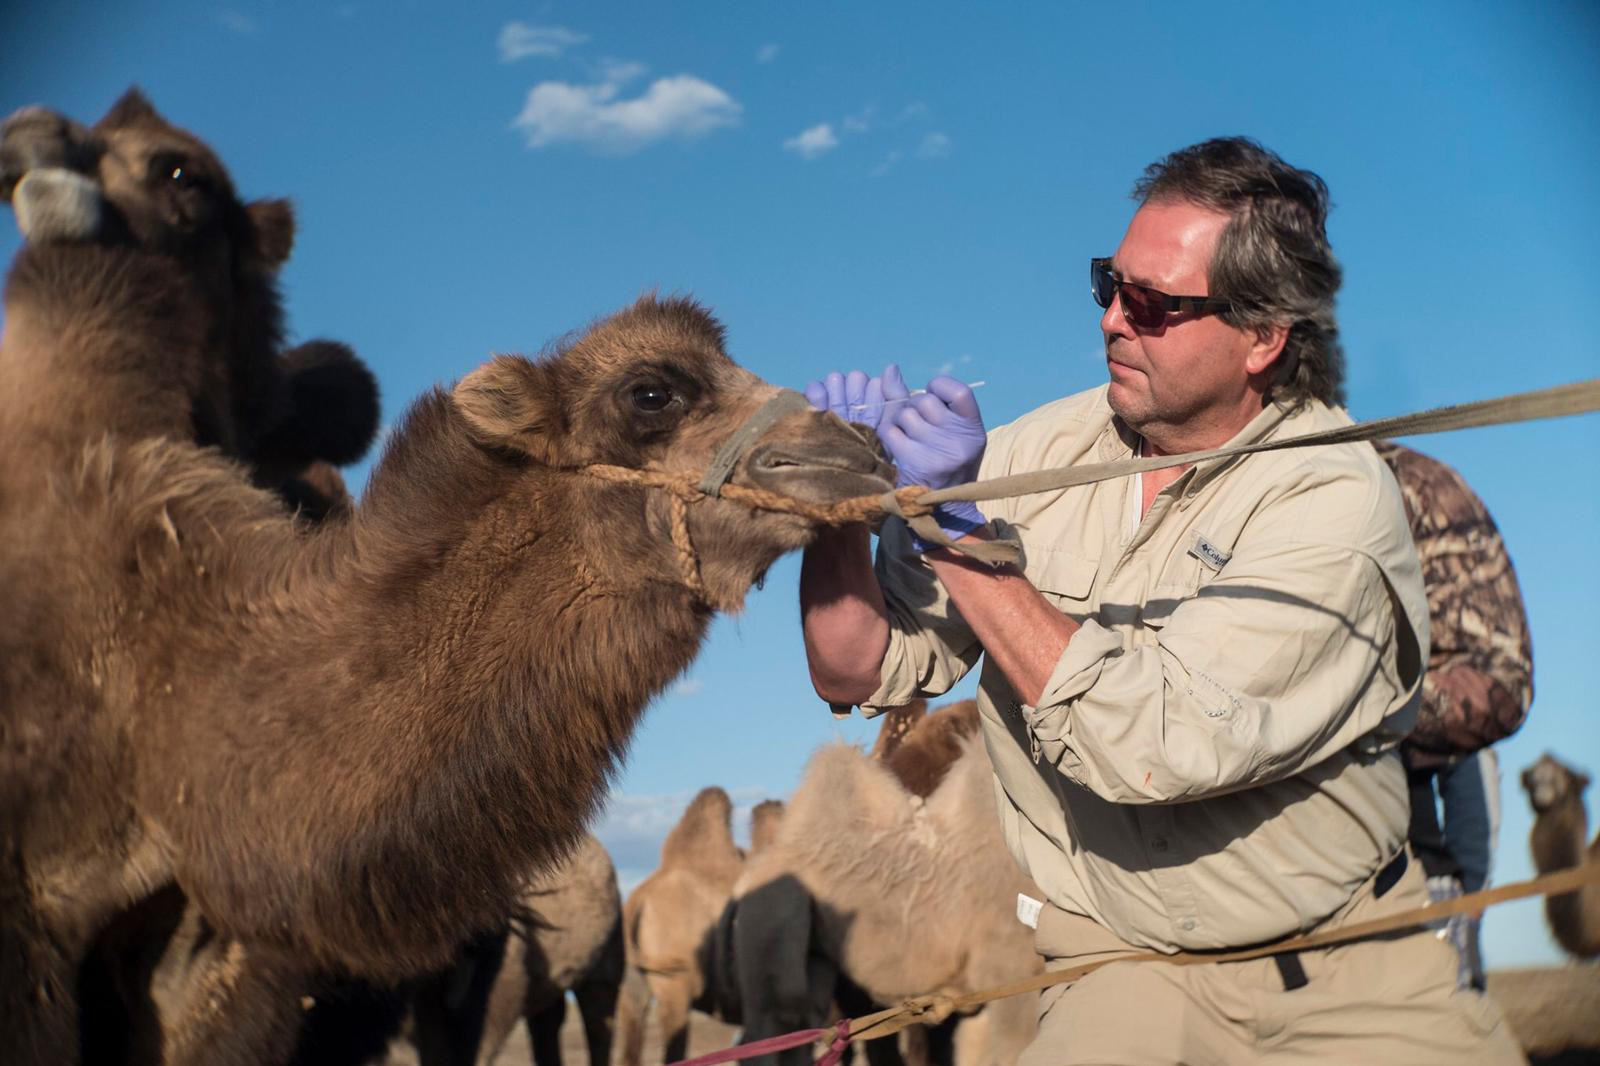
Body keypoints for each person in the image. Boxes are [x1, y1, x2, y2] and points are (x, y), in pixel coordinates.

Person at [800, 138, 1524, 1063]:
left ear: (1263, 337)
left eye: (1152, 303)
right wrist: (834, 497)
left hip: (1339, 968)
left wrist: (967, 541)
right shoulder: (1024, 458)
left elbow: (1155, 746)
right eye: (1109, 282)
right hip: (1119, 969)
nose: (1110, 319)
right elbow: (855, 666)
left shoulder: (1333, 497)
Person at [1375, 440, 1534, 990]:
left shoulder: (1376, 479)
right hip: (1494, 672)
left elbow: (1471, 766)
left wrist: (1468, 896)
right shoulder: (1425, 474)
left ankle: (1452, 900)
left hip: (1427, 884)